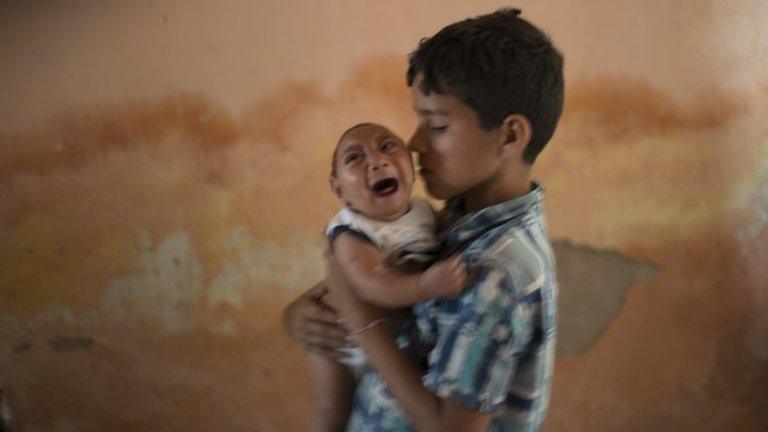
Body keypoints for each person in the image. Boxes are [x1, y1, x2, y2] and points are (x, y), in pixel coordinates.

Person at [285, 8, 563, 431]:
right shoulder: (458, 219)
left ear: (508, 136)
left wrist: (363, 324)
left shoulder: (495, 273)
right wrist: (305, 315)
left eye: (436, 125)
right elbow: (375, 288)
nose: (413, 144)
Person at [306, 122, 467, 432]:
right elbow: (371, 285)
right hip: (339, 339)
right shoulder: (351, 231)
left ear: (409, 162)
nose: (377, 160)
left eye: (388, 146)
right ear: (338, 188)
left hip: (385, 336)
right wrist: (425, 285)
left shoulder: (423, 211)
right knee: (332, 412)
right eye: (354, 158)